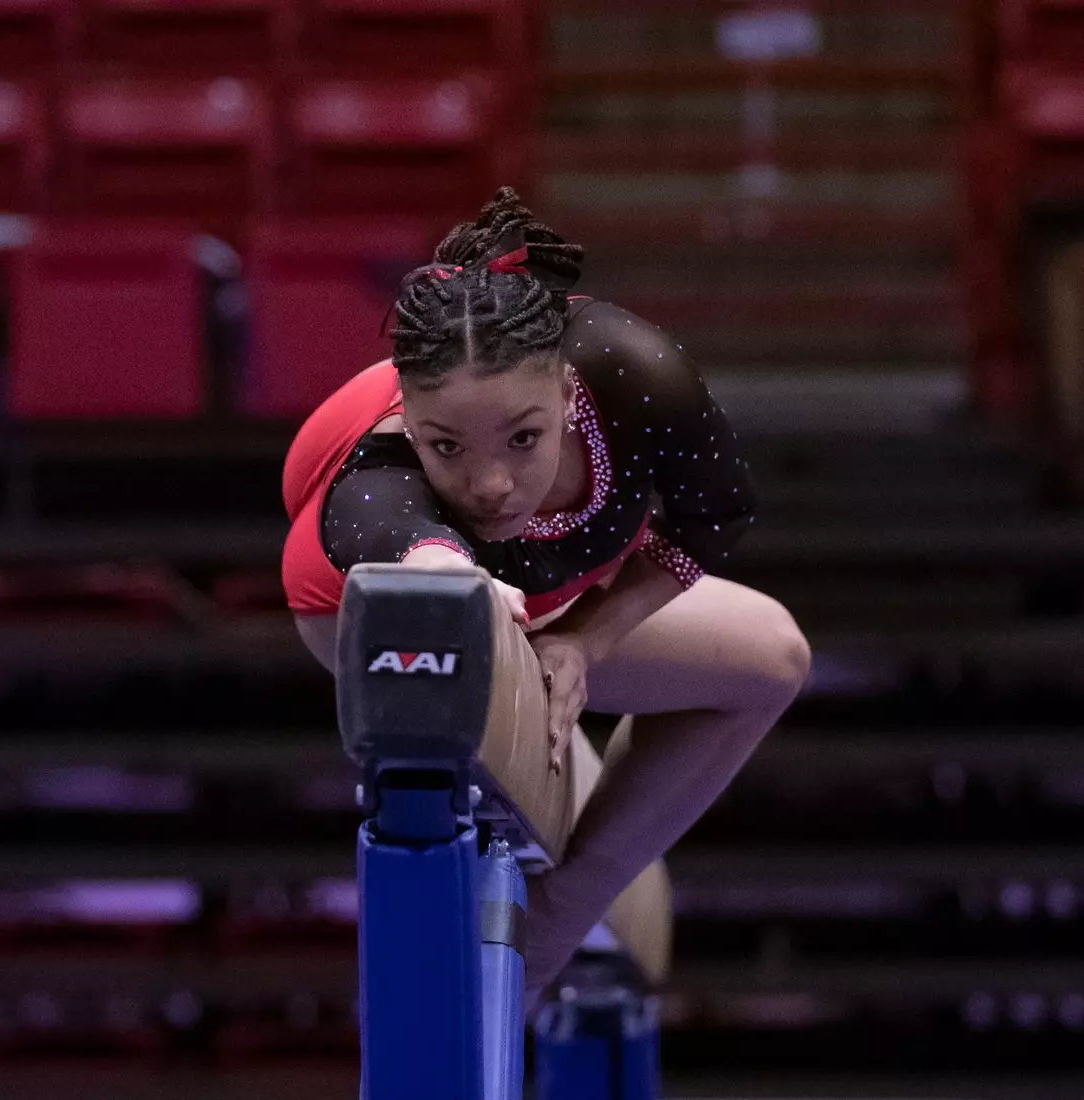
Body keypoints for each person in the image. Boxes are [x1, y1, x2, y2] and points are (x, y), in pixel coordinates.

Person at [281, 187, 810, 1001]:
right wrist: (443, 568)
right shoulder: (380, 472)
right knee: (460, 632)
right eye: (445, 446)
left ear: (567, 392)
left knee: (771, 655)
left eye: (524, 438)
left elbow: (715, 521)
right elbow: (398, 548)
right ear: (408, 419)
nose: (490, 484)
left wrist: (587, 641)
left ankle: (567, 903)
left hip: (549, 601)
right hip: (382, 608)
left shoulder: (637, 379)